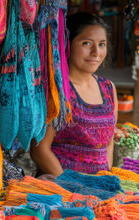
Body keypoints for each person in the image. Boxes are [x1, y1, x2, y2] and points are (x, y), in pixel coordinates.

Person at [30, 12, 117, 176]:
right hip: (60, 189)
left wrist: (104, 181)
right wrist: (74, 187)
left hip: (98, 191)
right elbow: (39, 149)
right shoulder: (58, 89)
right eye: (86, 43)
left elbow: (108, 144)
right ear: (67, 44)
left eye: (102, 44)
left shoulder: (108, 89)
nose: (96, 53)